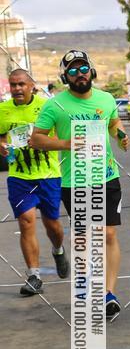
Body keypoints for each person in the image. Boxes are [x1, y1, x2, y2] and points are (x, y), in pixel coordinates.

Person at [30, 50, 130, 319]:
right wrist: (68, 144)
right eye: (72, 71)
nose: (79, 74)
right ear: (65, 76)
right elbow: (37, 139)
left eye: (83, 68)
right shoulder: (55, 105)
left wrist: (120, 135)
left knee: (108, 234)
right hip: (74, 182)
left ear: (91, 70)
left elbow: (114, 122)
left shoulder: (106, 99)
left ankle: (108, 294)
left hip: (106, 176)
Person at [0, 68, 68, 296]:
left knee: (53, 224)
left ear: (31, 86)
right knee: (26, 221)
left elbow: (60, 137)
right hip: (19, 177)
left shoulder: (47, 107)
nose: (17, 89)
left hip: (49, 176)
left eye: (21, 84)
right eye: (13, 85)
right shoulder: (3, 110)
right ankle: (34, 276)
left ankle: (58, 250)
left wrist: (40, 141)